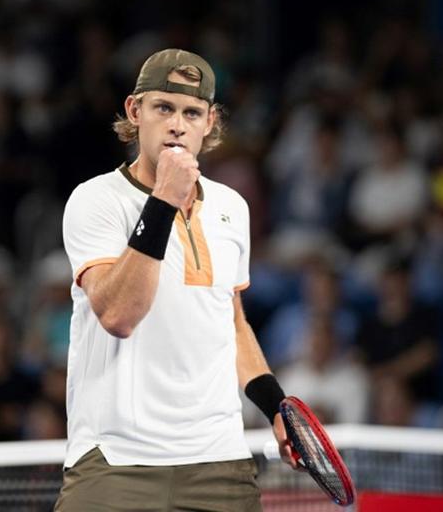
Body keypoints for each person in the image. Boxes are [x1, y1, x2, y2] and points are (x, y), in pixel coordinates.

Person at [56, 49, 298, 512]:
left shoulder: (232, 207)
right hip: (116, 462)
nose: (177, 124)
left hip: (220, 465)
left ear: (209, 122)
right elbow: (119, 315)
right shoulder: (95, 201)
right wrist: (164, 199)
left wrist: (276, 406)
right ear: (134, 111)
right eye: (163, 108)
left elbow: (231, 324)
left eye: (192, 112)